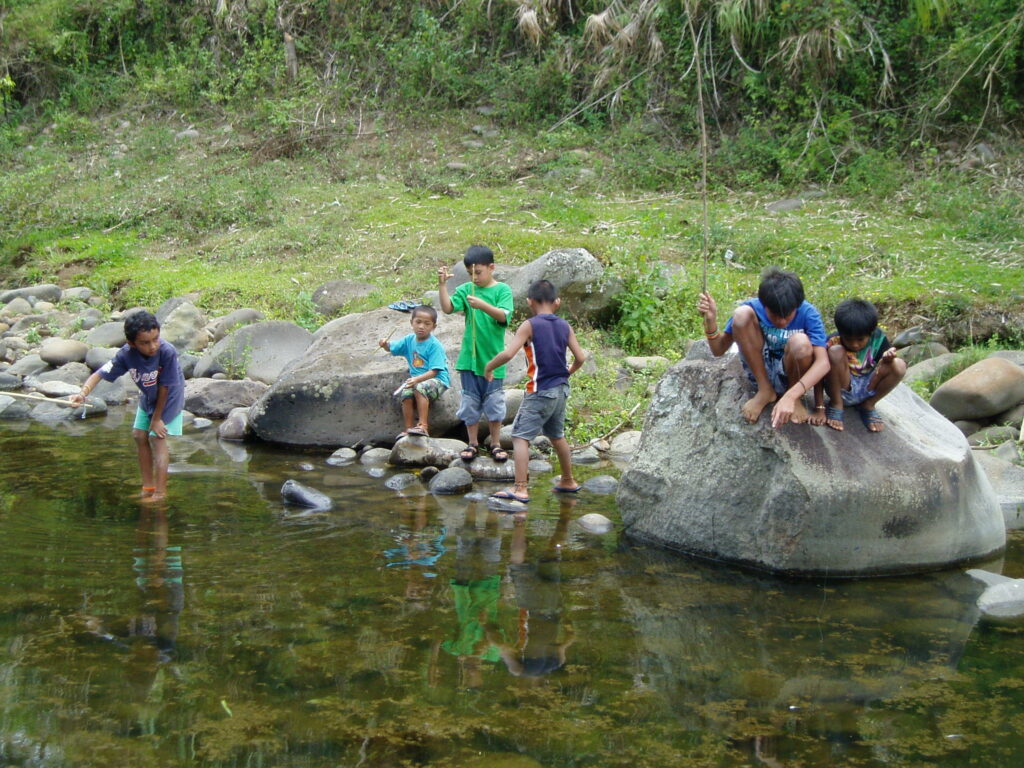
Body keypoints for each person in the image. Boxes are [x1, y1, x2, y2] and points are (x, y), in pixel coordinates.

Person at [484, 279, 585, 504]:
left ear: (530, 301)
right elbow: (580, 357)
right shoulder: (565, 325)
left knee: (520, 437)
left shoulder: (529, 325)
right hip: (561, 389)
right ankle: (568, 480)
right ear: (557, 302)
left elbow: (508, 354)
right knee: (557, 436)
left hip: (540, 390)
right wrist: (567, 373)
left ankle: (520, 488)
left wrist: (489, 367)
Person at [71, 310, 185, 502]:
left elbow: (165, 386)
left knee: (156, 437)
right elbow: (99, 373)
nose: (152, 346)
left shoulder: (167, 351)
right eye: (145, 343)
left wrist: (157, 419)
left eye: (155, 339)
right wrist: (82, 394)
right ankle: (148, 488)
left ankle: (160, 493)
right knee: (139, 435)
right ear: (132, 343)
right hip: (149, 395)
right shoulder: (126, 355)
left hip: (169, 396)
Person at [697, 267, 829, 428]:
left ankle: (793, 396)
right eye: (775, 315)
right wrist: (711, 320)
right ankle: (765, 390)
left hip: (791, 375)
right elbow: (718, 350)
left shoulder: (808, 313)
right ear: (764, 305)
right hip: (761, 369)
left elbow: (823, 363)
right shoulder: (753, 308)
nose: (781, 322)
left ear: (797, 306)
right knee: (741, 314)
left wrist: (792, 395)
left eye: (787, 316)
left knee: (800, 342)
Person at [438, 245, 515, 462]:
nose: (475, 278)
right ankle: (472, 443)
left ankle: (496, 443)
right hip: (469, 360)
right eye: (470, 273)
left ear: (491, 268)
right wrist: (442, 285)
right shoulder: (466, 290)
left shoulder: (502, 291)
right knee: (470, 402)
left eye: (478, 273)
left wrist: (482, 305)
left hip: (493, 360)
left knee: (494, 402)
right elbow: (447, 308)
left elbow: (503, 316)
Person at [816, 298, 907, 433]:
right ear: (840, 332)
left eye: (860, 339)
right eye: (849, 339)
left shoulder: (878, 338)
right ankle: (836, 404)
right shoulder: (832, 341)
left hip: (869, 387)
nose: (855, 344)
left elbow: (885, 364)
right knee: (835, 352)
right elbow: (818, 373)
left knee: (899, 365)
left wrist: (888, 358)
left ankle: (868, 404)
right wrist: (819, 406)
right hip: (843, 388)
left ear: (870, 333)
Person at [379, 304, 450, 438]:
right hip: (417, 380)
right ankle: (409, 428)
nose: (421, 326)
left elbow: (435, 371)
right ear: (411, 322)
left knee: (419, 387)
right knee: (406, 393)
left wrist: (417, 379)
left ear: (433, 327)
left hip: (438, 380)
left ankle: (423, 426)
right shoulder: (409, 340)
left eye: (427, 324)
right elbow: (392, 348)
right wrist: (384, 345)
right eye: (418, 322)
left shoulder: (434, 345)